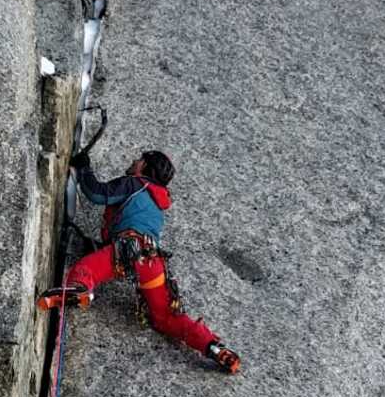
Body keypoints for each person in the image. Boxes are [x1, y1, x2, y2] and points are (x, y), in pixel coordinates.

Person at [38, 144, 241, 374]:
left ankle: (79, 290)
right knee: (165, 316)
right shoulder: (158, 203)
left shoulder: (134, 183)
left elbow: (98, 194)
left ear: (144, 166)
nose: (134, 162)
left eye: (138, 160)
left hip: (126, 251)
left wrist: (84, 169)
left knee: (85, 270)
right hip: (153, 262)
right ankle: (213, 347)